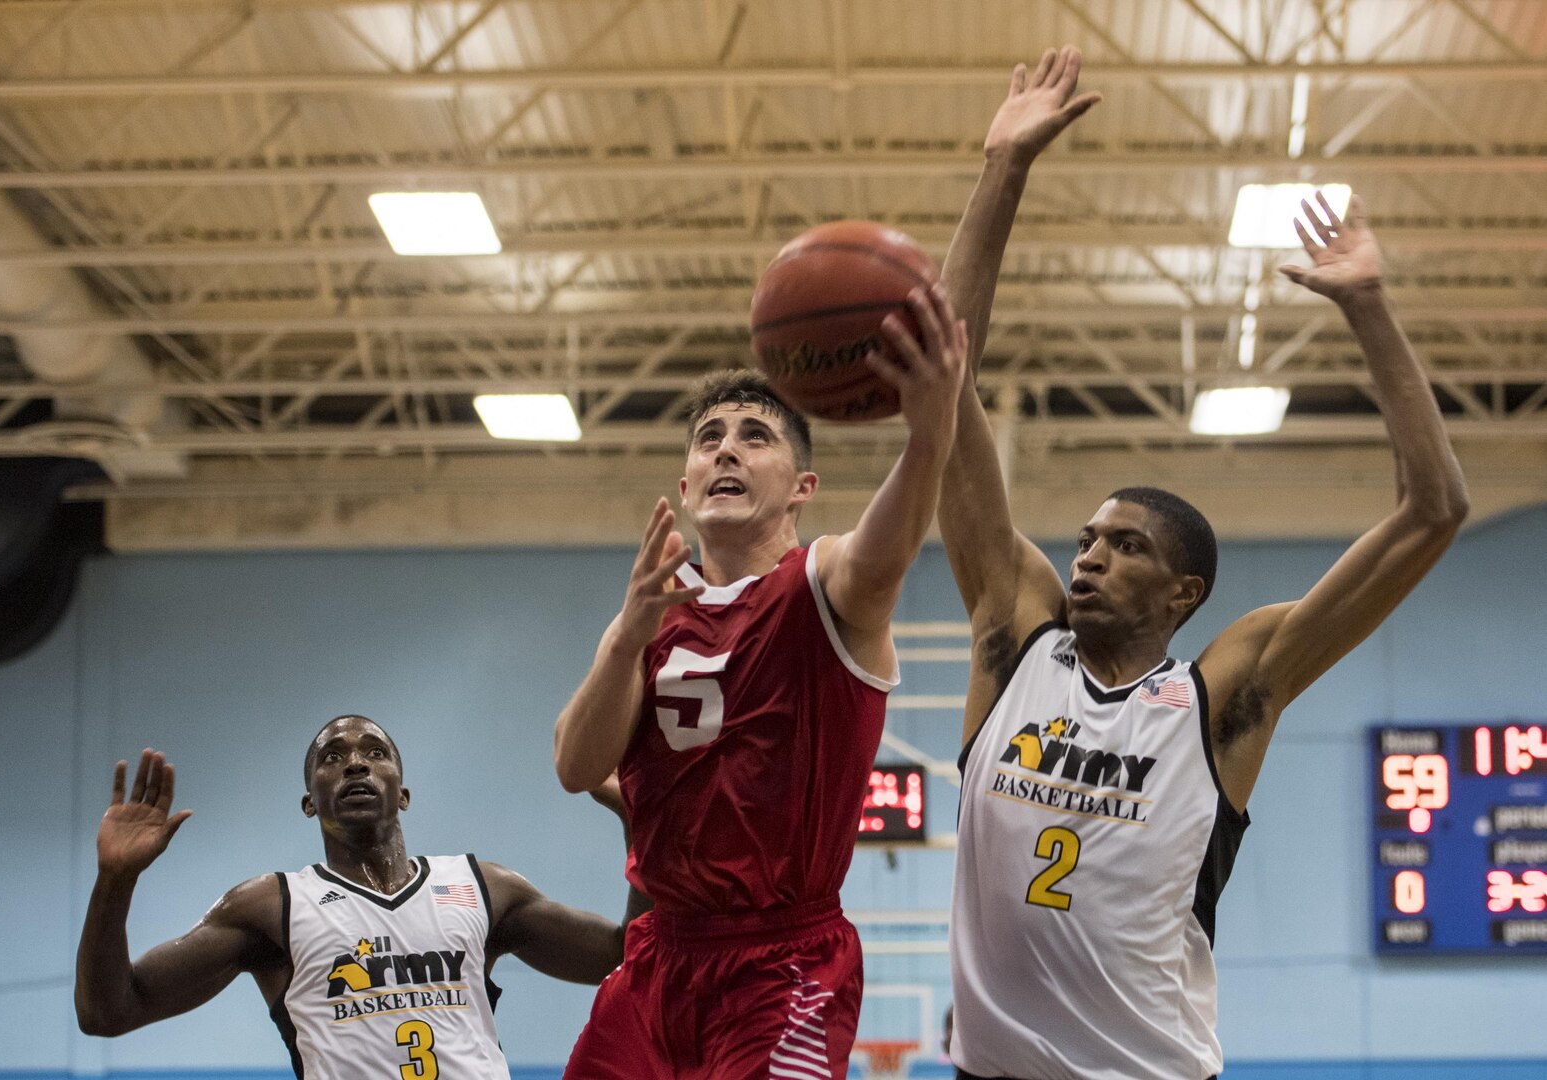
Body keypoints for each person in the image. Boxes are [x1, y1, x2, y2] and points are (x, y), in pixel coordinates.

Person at [934, 48, 1469, 1080]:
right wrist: (1000, 170)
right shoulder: (1014, 645)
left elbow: (1431, 512)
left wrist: (1365, 309)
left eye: (1121, 545)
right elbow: (941, 390)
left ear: (1182, 594)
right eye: (1085, 538)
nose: (1085, 556)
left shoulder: (1222, 693)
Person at [552, 288, 968, 1076]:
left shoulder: (825, 581)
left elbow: (888, 547)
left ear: (802, 487)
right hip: (660, 956)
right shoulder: (652, 615)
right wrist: (625, 634)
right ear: (684, 488)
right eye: (708, 439)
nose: (726, 450)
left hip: (784, 962)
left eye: (754, 436)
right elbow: (575, 766)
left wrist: (929, 429)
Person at [76, 715, 643, 1080]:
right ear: (309, 803)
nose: (354, 762)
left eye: (375, 752)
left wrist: (639, 820)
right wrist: (115, 879)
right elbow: (107, 1011)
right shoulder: (271, 906)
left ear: (404, 794)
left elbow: (625, 956)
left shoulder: (481, 887)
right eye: (332, 757)